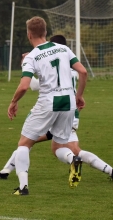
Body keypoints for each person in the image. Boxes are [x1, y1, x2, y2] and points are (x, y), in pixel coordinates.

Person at [0, 35, 113, 183]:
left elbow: (33, 85)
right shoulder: (72, 69)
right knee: (73, 149)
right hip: (70, 111)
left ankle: (7, 172)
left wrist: (25, 64)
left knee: (28, 141)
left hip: (53, 109)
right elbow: (81, 73)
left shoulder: (51, 64)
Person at [7, 17, 88, 196]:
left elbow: (24, 85)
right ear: (45, 32)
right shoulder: (64, 48)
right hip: (68, 102)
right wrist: (79, 95)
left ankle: (23, 187)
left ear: (29, 34)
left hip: (48, 101)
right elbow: (83, 71)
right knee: (59, 146)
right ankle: (73, 159)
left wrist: (13, 102)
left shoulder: (32, 56)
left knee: (24, 144)